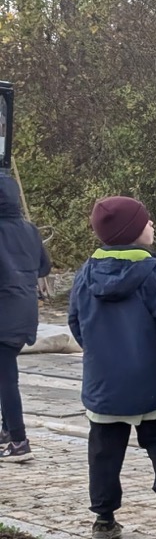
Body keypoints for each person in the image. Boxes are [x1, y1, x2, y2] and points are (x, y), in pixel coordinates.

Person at [68, 196, 156, 539]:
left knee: (104, 451)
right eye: (146, 221)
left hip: (104, 382)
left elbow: (75, 321)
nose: (151, 224)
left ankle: (104, 519)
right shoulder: (154, 273)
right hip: (149, 379)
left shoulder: (85, 273)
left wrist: (96, 351)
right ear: (132, 231)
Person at [0, 173, 50, 462]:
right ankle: (7, 431)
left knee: (7, 379)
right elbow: (44, 266)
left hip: (4, 311)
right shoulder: (29, 230)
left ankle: (19, 440)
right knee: (6, 373)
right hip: (26, 309)